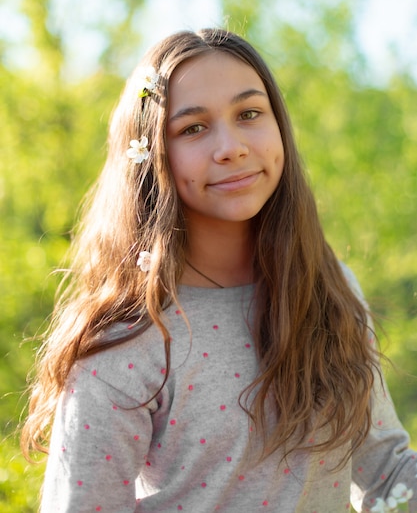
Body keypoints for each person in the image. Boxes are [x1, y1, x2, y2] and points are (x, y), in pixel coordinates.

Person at [22, 29, 416, 513]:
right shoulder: (127, 338)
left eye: (249, 114)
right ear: (151, 155)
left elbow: (387, 474)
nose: (230, 147)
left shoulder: (328, 287)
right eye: (193, 128)